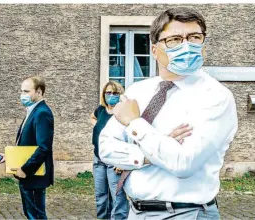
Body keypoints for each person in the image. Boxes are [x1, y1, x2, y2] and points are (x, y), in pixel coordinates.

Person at [99, 8, 237, 219]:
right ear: (155, 50)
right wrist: (153, 154)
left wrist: (134, 123)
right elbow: (106, 148)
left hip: (186, 212)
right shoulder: (138, 90)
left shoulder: (215, 96)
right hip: (135, 212)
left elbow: (184, 163)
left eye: (194, 37)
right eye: (174, 39)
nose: (186, 45)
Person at [14, 76, 54, 220]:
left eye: (26, 91)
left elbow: (43, 147)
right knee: (31, 213)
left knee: (35, 215)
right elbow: (27, 142)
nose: (22, 95)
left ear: (39, 92)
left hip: (33, 173)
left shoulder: (42, 112)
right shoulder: (33, 110)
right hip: (28, 171)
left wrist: (25, 169)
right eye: (21, 91)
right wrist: (12, 157)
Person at [90, 81, 128, 220]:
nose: (111, 95)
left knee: (117, 197)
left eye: (115, 93)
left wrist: (122, 162)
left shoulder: (123, 113)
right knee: (101, 197)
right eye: (108, 93)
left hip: (115, 161)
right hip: (99, 159)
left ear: (120, 94)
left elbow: (130, 136)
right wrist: (97, 127)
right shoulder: (100, 110)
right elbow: (92, 117)